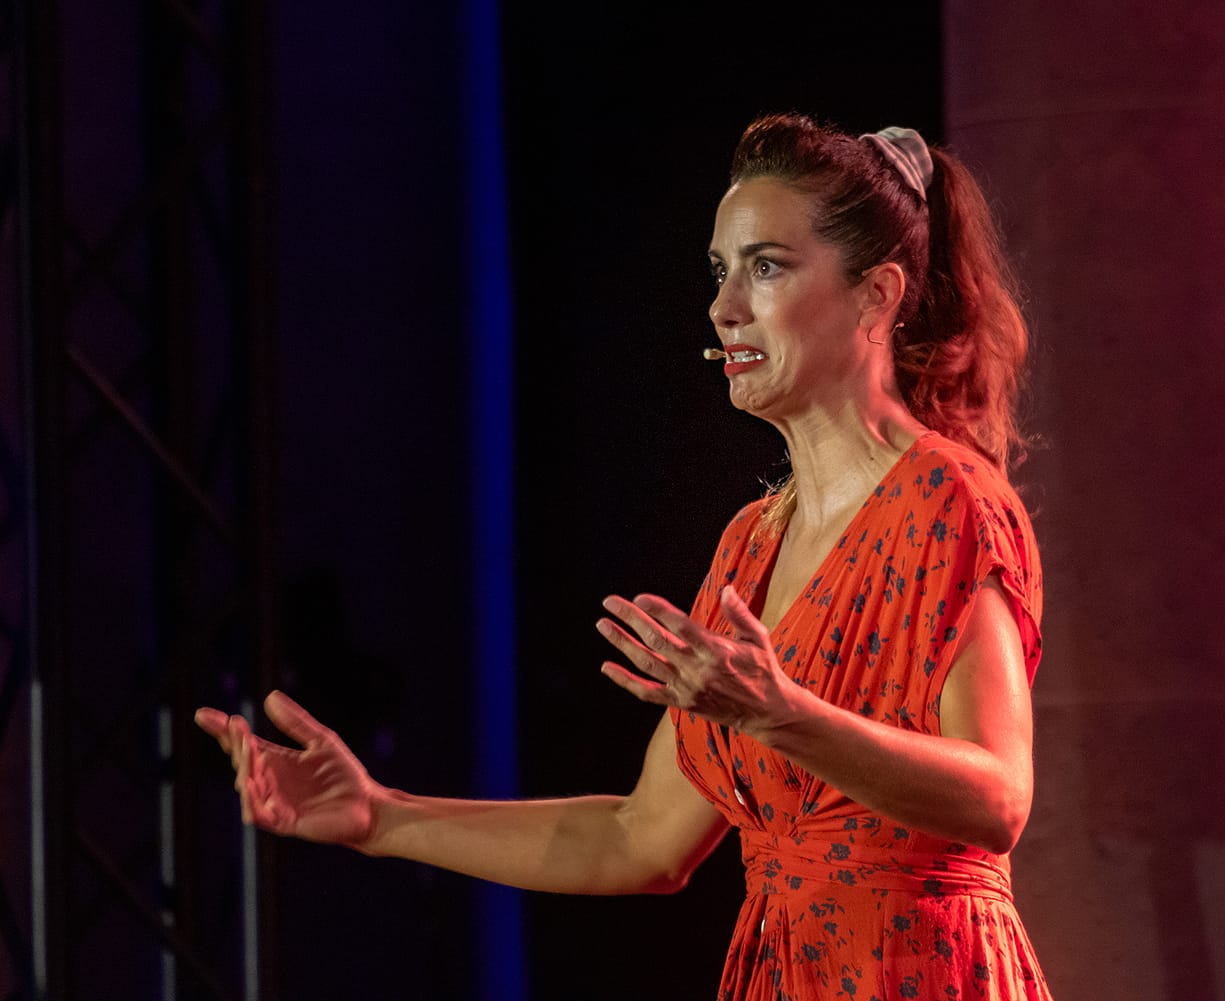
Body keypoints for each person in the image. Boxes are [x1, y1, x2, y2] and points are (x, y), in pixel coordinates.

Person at [196, 111, 1054, 1000]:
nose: (724, 307)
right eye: (721, 271)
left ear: (875, 294)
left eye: (766, 267)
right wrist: (382, 816)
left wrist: (782, 715)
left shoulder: (948, 500)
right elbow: (640, 838)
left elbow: (998, 799)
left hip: (927, 971)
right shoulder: (750, 545)